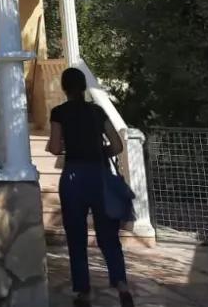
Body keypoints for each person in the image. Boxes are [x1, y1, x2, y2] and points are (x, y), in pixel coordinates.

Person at [47, 66, 134, 307]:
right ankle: (122, 285)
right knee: (108, 236)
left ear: (64, 88)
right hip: (99, 174)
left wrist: (70, 146)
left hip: (74, 177)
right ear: (84, 87)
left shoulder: (59, 112)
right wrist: (99, 152)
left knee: (76, 236)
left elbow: (55, 148)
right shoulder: (97, 111)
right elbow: (117, 145)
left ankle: (84, 293)